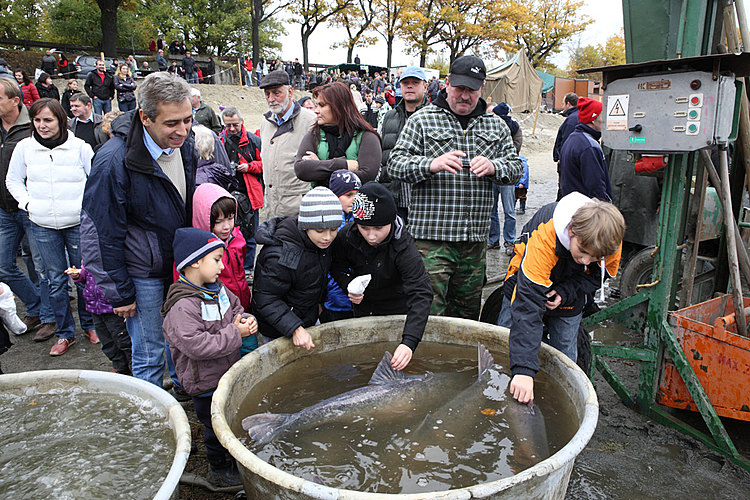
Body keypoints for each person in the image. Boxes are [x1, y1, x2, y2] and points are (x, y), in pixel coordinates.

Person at [81, 72, 197, 387]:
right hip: (141, 273)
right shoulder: (113, 162)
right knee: (148, 351)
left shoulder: (186, 144)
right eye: (172, 123)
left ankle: (179, 388)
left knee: (178, 336)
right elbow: (99, 234)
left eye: (187, 119)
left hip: (177, 265)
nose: (183, 130)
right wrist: (119, 292)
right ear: (145, 117)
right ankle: (153, 413)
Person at [388, 55, 522, 320]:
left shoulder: (495, 125)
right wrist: (430, 164)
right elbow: (395, 164)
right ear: (447, 84)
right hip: (431, 239)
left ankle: (460, 362)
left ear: (481, 88)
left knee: (467, 315)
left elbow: (516, 169)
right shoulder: (423, 120)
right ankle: (425, 361)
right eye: (459, 88)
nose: (464, 95)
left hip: (474, 242)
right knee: (428, 310)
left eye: (471, 89)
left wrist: (495, 167)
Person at [497, 193, 624, 403]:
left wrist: (566, 292)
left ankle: (557, 401)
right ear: (572, 230)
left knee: (565, 351)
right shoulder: (545, 237)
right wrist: (523, 371)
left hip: (571, 284)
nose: (586, 260)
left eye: (595, 257)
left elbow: (599, 276)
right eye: (583, 251)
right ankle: (505, 387)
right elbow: (527, 306)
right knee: (507, 335)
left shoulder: (611, 243)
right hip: (528, 275)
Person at [162, 227, 256, 488]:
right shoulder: (183, 306)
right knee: (214, 428)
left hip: (226, 373)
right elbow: (197, 346)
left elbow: (236, 308)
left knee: (228, 418)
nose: (221, 265)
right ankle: (219, 468)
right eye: (216, 259)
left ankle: (230, 456)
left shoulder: (219, 289)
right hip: (204, 383)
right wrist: (236, 334)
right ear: (194, 262)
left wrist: (247, 319)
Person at [6, 98, 98, 356]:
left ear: (60, 120)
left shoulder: (79, 147)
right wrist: (28, 203)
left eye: (48, 120)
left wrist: (86, 210)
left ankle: (90, 325)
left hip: (77, 223)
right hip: (42, 224)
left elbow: (94, 180)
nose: (42, 125)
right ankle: (65, 333)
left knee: (82, 276)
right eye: (37, 120)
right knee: (55, 280)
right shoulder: (24, 148)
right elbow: (13, 180)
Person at [331, 183, 433, 370]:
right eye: (364, 227)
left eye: (378, 228)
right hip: (364, 307)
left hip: (398, 308)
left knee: (400, 364)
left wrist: (409, 342)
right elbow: (336, 265)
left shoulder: (403, 247)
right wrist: (348, 284)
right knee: (365, 365)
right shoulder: (347, 236)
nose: (371, 236)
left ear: (390, 221)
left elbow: (421, 292)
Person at [0, 78, 56, 342]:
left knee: (42, 265)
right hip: (4, 209)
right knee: (3, 265)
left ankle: (49, 317)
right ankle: (35, 305)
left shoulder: (33, 126)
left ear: (15, 100)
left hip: (31, 208)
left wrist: (32, 202)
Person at [252, 187, 340, 349]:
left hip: (306, 315)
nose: (327, 237)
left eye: (333, 230)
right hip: (276, 327)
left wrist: (318, 303)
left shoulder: (320, 243)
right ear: (305, 226)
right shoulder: (281, 255)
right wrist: (294, 328)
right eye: (320, 230)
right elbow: (266, 298)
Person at [191, 184, 257, 355]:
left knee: (248, 352)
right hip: (218, 317)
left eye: (230, 218)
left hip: (241, 306)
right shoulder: (197, 252)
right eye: (218, 222)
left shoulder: (237, 237)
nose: (226, 226)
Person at [294, 82, 381, 188]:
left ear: (338, 106)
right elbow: (301, 170)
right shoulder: (314, 135)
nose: (316, 111)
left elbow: (366, 176)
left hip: (354, 203)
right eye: (317, 105)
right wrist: (344, 165)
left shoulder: (366, 137)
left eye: (322, 105)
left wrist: (319, 166)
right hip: (320, 203)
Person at [258, 70, 316, 218]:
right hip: (271, 207)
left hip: (298, 209)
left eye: (276, 93)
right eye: (267, 94)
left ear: (290, 92)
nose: (271, 99)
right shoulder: (266, 121)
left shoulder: (309, 121)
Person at [377, 66, 429, 223]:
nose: (410, 86)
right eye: (405, 83)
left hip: (424, 201)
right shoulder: (388, 117)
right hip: (394, 199)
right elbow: (381, 155)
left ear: (425, 86)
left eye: (415, 82)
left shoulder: (436, 118)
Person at [219, 106, 262, 278]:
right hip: (228, 195)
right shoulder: (220, 140)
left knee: (250, 234)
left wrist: (249, 167)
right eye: (228, 125)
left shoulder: (254, 140)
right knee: (229, 233)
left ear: (241, 121)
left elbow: (265, 164)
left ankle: (248, 269)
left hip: (250, 196)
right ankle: (232, 269)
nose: (231, 129)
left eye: (235, 125)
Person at [66, 264, 131, 374]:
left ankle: (134, 369)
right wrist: (78, 275)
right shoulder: (89, 254)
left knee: (124, 341)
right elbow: (86, 274)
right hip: (95, 307)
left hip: (113, 308)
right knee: (107, 342)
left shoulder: (112, 255)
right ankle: (120, 367)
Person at [320, 169, 360, 323]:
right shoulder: (330, 225)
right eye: (348, 195)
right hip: (334, 297)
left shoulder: (361, 222)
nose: (354, 200)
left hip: (355, 296)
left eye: (357, 195)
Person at [487, 102, 523, 255]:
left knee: (509, 210)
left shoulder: (514, 129)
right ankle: (493, 240)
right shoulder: (489, 128)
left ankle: (510, 241)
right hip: (491, 174)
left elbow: (515, 149)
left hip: (507, 175)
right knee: (492, 210)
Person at [559, 97, 611, 201]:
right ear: (593, 118)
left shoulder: (573, 138)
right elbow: (596, 185)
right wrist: (605, 207)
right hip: (586, 209)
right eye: (602, 115)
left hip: (573, 204)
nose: (604, 120)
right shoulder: (589, 146)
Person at [553, 93, 579, 200]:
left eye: (563, 103)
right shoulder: (575, 117)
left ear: (568, 103)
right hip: (570, 163)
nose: (562, 106)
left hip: (567, 164)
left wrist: (563, 161)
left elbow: (567, 143)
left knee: (565, 191)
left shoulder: (572, 120)